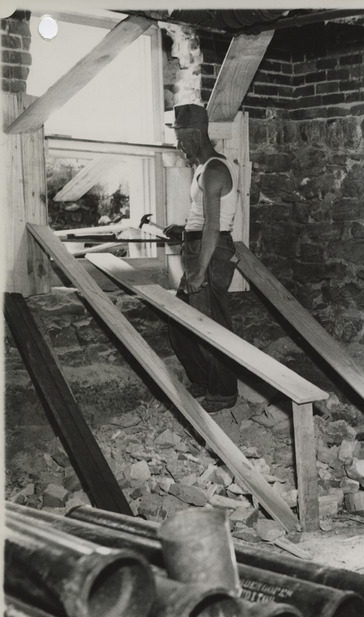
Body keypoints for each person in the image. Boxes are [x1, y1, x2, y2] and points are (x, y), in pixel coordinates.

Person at [166, 103, 240, 413]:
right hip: (197, 248)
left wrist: (200, 272)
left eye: (182, 139)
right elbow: (203, 219)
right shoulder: (202, 167)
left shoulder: (214, 169)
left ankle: (223, 392)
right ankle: (203, 381)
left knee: (211, 325)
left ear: (197, 134)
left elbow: (214, 226)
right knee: (180, 323)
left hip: (210, 253)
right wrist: (183, 230)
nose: (179, 146)